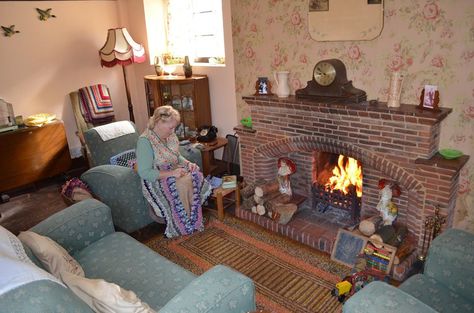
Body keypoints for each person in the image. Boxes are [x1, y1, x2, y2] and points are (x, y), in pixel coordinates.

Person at [137, 105, 212, 238]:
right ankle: (181, 224)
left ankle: (192, 218)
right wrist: (172, 174)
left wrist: (188, 164)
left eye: (174, 128)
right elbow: (144, 172)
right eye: (171, 127)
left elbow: (176, 156)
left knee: (195, 175)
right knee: (182, 183)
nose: (173, 131)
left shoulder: (170, 135)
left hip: (173, 169)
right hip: (156, 177)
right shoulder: (145, 141)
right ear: (159, 122)